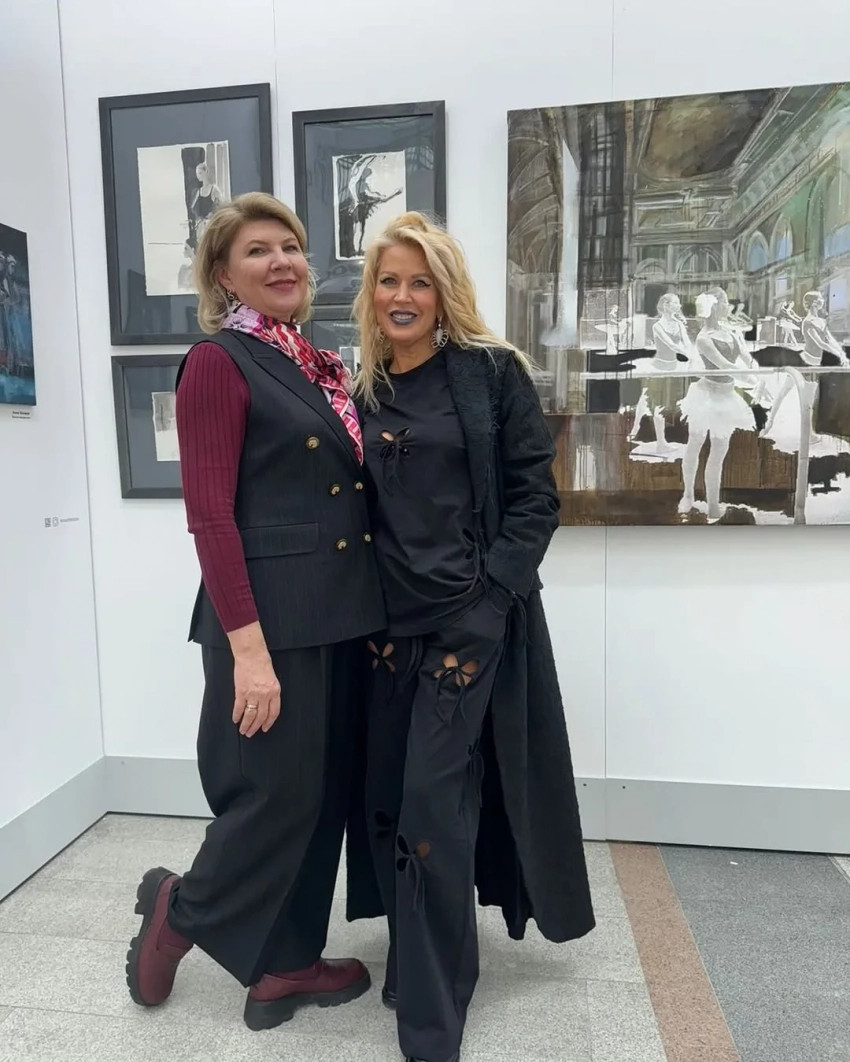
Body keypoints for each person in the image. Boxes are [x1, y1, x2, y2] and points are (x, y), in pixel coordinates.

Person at [125, 192, 386, 1032]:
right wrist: (249, 652)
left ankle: (286, 962)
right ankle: (180, 909)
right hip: (269, 626)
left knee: (322, 801)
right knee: (272, 800)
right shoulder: (217, 361)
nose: (281, 262)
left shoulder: (311, 362)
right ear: (222, 275)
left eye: (291, 247)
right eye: (257, 251)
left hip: (341, 617)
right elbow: (211, 517)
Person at [350, 212, 595, 1062]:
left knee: (433, 805)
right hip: (384, 633)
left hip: (469, 622)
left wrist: (492, 600)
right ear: (371, 293)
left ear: (444, 291)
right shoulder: (361, 389)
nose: (404, 295)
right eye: (390, 280)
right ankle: (415, 950)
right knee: (389, 799)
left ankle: (433, 1008)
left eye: (420, 281)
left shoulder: (492, 374)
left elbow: (535, 498)